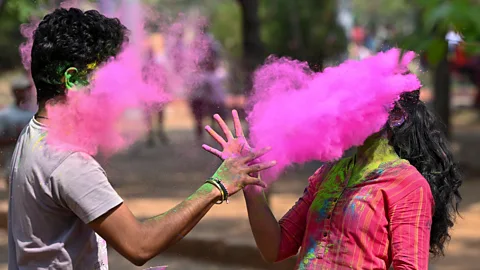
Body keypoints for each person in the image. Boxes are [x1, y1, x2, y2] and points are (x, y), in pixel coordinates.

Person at [8, 8, 276, 269]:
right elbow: (139, 246)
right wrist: (218, 185)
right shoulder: (68, 161)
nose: (115, 87)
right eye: (105, 74)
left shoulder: (33, 135)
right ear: (73, 79)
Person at [204, 89, 462, 269]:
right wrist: (250, 184)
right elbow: (275, 247)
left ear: (396, 116)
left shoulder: (407, 184)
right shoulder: (329, 173)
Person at [0, 74, 35, 186]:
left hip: (32, 168)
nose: (26, 93)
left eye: (27, 89)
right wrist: (19, 137)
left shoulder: (35, 112)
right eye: (22, 90)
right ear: (15, 92)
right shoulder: (5, 115)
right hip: (11, 166)